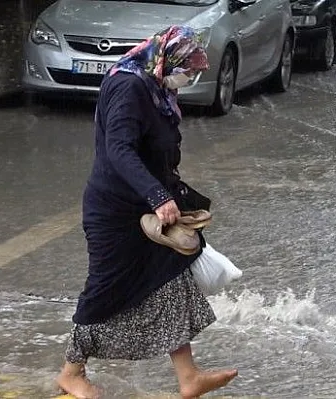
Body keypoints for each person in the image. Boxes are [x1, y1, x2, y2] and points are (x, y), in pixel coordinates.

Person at [56, 25, 238, 399]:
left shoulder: (155, 89)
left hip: (146, 209)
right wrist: (158, 196)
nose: (188, 76)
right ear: (165, 57)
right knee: (104, 290)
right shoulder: (130, 87)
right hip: (114, 211)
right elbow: (120, 149)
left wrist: (170, 194)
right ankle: (71, 373)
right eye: (187, 68)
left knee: (171, 278)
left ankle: (189, 377)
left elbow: (157, 148)